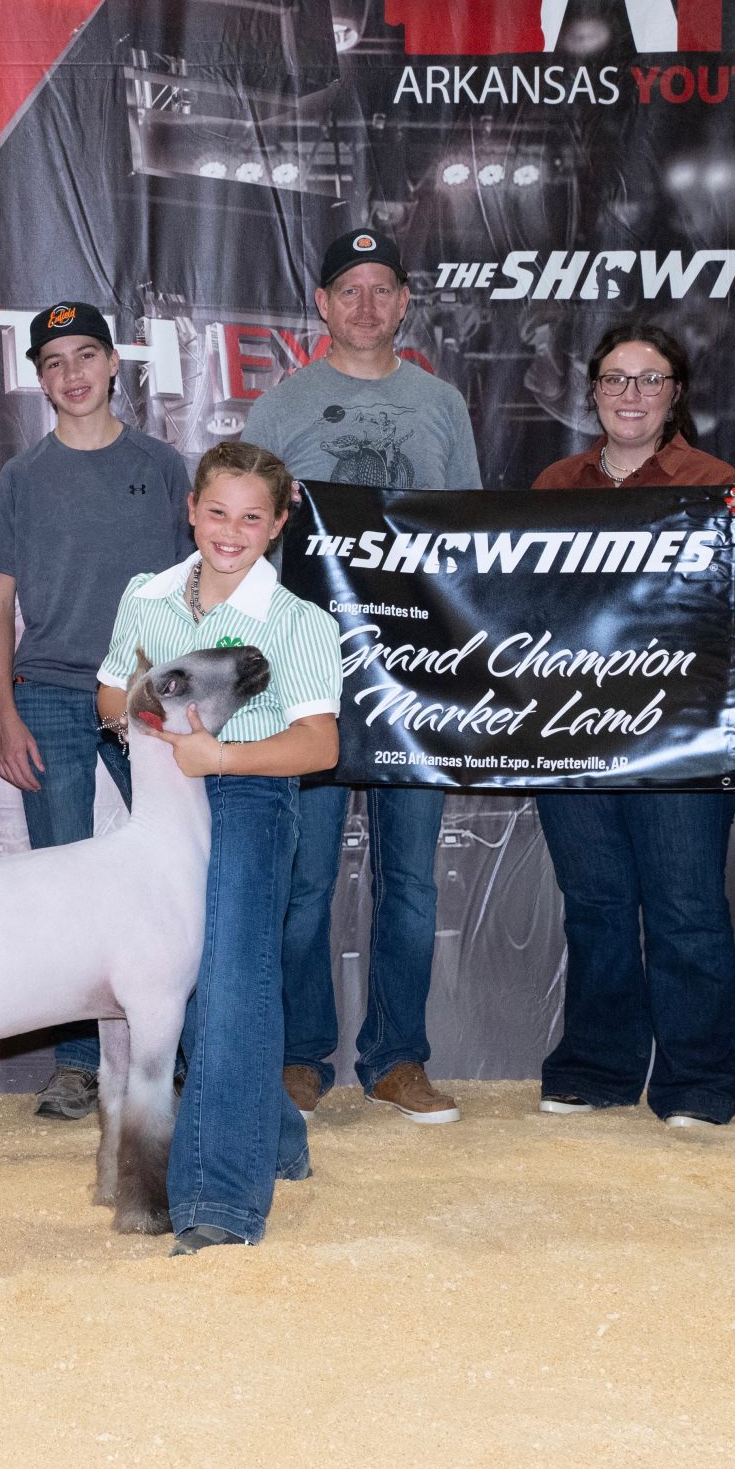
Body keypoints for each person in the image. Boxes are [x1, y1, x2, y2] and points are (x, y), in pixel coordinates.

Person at [242, 226, 480, 1125]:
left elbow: (470, 538)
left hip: (415, 675)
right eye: (350, 289)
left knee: (410, 880)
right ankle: (300, 1054)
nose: (367, 304)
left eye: (384, 288)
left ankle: (397, 1055)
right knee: (303, 879)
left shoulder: (441, 403)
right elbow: (246, 538)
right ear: (323, 305)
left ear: (406, 302)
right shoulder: (283, 407)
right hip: (308, 677)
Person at [531, 322, 735, 1126]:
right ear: (593, 391)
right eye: (615, 378)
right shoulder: (554, 485)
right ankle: (597, 1067)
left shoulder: (714, 484)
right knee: (595, 903)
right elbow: (515, 608)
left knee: (685, 907)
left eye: (649, 378)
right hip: (571, 728)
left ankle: (700, 1081)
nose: (630, 393)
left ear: (675, 394)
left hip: (679, 731)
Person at [96, 440, 341, 1252]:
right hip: (159, 795)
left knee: (232, 979)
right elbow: (109, 693)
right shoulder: (147, 594)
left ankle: (220, 1202)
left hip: (250, 790)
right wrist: (164, 720)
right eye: (217, 513)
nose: (230, 532)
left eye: (251, 518)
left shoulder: (299, 621)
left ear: (276, 525)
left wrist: (221, 755)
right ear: (191, 510)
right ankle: (278, 1138)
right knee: (186, 984)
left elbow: (320, 744)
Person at [0, 300, 191, 1121]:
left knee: (174, 880)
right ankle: (74, 1064)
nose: (71, 374)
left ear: (112, 364)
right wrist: (5, 713)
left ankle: (176, 1052)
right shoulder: (23, 476)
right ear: (39, 379)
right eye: (53, 362)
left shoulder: (164, 467)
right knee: (59, 888)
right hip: (51, 691)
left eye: (85, 355)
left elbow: (197, 589)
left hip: (149, 697)